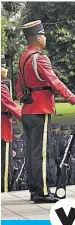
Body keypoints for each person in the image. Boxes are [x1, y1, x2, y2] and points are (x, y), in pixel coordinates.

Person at [16, 20, 75, 203]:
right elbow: (55, 83)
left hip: (28, 109)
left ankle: (34, 190)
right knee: (41, 153)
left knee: (31, 152)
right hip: (40, 109)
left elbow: (19, 85)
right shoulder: (40, 58)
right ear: (37, 38)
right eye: (43, 35)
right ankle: (43, 192)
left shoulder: (24, 57)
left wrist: (22, 97)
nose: (45, 38)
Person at [2, 55, 22, 192]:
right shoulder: (1, 88)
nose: (6, 70)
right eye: (3, 67)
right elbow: (13, 108)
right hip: (3, 131)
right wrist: (29, 120)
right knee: (5, 167)